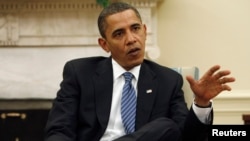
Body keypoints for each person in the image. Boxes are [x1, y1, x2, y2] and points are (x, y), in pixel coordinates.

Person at [44, 2, 235, 141]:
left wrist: (201, 103)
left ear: (144, 31)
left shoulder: (168, 80)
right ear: (104, 44)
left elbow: (186, 137)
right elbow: (59, 130)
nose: (131, 39)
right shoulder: (79, 72)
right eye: (119, 34)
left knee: (166, 125)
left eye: (135, 29)